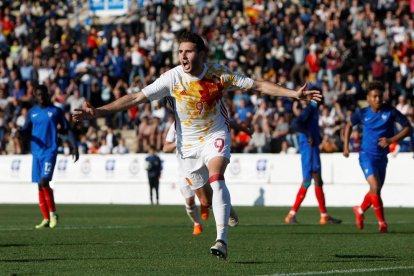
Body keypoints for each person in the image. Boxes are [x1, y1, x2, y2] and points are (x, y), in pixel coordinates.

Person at [73, 31, 321, 259]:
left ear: (201, 54)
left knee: (217, 177)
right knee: (205, 200)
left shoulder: (218, 74)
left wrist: (293, 94)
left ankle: (221, 239)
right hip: (187, 146)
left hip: (215, 134)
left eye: (188, 51)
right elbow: (136, 97)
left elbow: (257, 85)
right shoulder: (172, 78)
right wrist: (98, 112)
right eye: (180, 52)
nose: (183, 56)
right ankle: (227, 207)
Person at [343, 81, 411, 233]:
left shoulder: (390, 111)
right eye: (375, 97)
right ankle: (382, 224)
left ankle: (359, 210)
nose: (378, 99)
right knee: (374, 186)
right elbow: (348, 126)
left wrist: (391, 140)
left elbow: (408, 128)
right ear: (368, 98)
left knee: (376, 191)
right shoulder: (362, 113)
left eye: (380, 96)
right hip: (366, 155)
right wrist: (346, 147)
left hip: (382, 158)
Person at [20, 84, 79, 229]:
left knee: (45, 181)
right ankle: (45, 218)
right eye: (38, 95)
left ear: (47, 94)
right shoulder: (32, 112)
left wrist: (74, 145)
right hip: (36, 152)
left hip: (50, 151)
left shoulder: (55, 111)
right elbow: (25, 131)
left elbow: (66, 129)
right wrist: (19, 133)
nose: (40, 97)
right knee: (40, 185)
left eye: (43, 94)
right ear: (35, 96)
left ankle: (53, 214)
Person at [285, 100, 342, 225]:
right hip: (308, 147)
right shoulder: (310, 108)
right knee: (308, 179)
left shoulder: (313, 108)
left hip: (312, 147)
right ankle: (291, 215)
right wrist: (309, 134)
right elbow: (295, 124)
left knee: (317, 179)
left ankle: (324, 215)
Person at [163, 121, 204, 235]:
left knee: (206, 196)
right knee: (189, 201)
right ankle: (197, 223)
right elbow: (165, 148)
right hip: (184, 169)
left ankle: (205, 204)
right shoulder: (175, 125)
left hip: (200, 164)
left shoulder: (198, 119)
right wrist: (178, 143)